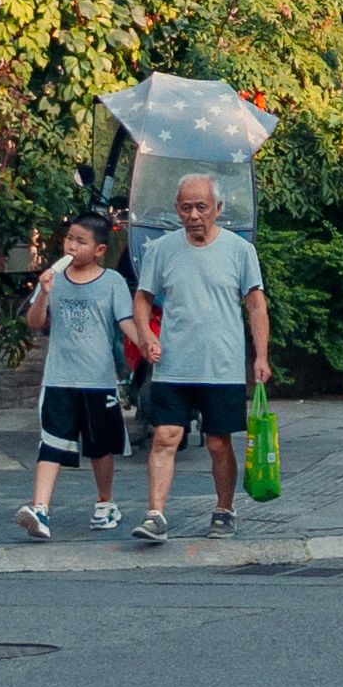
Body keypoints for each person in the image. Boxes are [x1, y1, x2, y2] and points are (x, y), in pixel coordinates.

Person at [131, 174, 271, 543]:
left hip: (221, 364)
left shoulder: (240, 251)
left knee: (217, 441)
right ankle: (155, 515)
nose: (193, 215)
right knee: (165, 436)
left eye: (201, 207)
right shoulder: (161, 249)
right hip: (173, 364)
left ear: (219, 209)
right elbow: (143, 297)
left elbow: (255, 304)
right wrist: (146, 335)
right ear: (177, 209)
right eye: (186, 207)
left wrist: (261, 356)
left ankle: (224, 510)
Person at [16, 215, 142, 542]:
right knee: (51, 444)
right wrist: (43, 293)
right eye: (69, 238)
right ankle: (39, 509)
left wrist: (146, 343)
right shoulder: (52, 279)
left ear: (99, 249)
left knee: (100, 448)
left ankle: (105, 502)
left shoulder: (112, 281)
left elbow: (125, 323)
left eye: (81, 241)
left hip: (98, 381)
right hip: (59, 379)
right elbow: (34, 322)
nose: (72, 246)